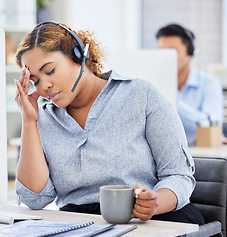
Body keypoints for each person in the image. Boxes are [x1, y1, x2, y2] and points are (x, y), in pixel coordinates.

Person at [14, 22, 205, 225]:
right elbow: (34, 199)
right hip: (82, 227)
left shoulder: (141, 95)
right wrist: (29, 122)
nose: (44, 87)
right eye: (35, 80)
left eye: (50, 70)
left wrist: (156, 202)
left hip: (153, 221)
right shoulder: (42, 116)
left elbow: (179, 175)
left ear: (78, 56)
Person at [156, 23, 223, 145]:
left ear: (189, 52)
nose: (167, 58)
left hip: (206, 153)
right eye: (162, 53)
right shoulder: (155, 85)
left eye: (173, 51)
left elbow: (211, 124)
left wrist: (173, 103)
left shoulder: (209, 83)